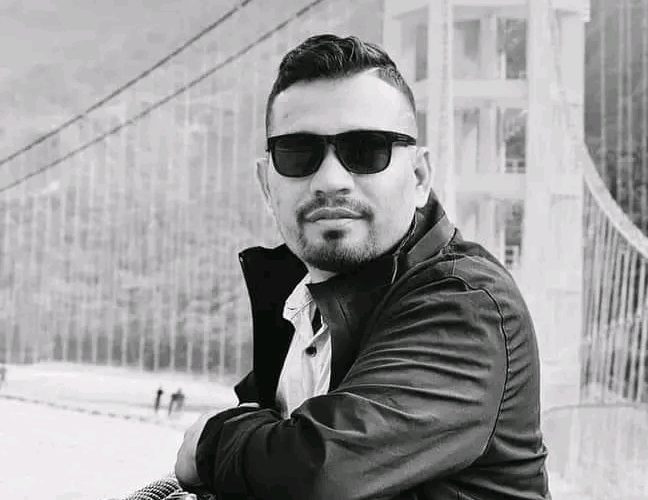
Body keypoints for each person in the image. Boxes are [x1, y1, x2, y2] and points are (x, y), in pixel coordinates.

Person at [157, 33, 548, 499]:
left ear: (419, 177)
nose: (330, 179)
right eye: (298, 154)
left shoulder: (467, 305)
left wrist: (209, 443)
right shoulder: (299, 303)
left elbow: (320, 474)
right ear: (266, 183)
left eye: (366, 151)